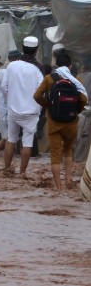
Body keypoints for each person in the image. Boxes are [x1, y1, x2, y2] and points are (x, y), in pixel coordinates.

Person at [33, 53, 88, 190]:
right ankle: (69, 180)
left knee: (55, 154)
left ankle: (58, 188)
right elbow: (83, 99)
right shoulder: (76, 79)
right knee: (68, 150)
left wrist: (48, 106)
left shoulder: (49, 79)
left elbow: (37, 96)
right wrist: (76, 111)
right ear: (70, 66)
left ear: (56, 66)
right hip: (71, 122)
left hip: (54, 122)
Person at [2, 36, 44, 175]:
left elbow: (4, 86)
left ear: (23, 48)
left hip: (13, 110)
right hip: (31, 112)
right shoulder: (38, 69)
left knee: (11, 139)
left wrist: (10, 101)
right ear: (36, 50)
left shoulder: (12, 65)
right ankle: (22, 173)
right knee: (27, 143)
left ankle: (7, 169)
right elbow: (41, 91)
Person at [0, 50, 22, 156]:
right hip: (6, 108)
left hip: (9, 108)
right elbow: (7, 89)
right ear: (14, 60)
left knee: (10, 136)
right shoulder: (4, 72)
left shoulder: (9, 70)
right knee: (9, 136)